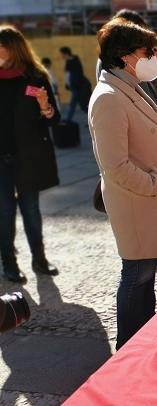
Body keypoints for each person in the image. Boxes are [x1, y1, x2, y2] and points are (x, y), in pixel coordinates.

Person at [89, 18, 157, 349]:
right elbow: (115, 165)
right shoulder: (109, 97)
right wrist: (155, 184)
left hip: (147, 201)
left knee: (146, 273)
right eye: (147, 51)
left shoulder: (129, 88)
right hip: (137, 203)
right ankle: (127, 348)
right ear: (124, 55)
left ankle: (140, 343)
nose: (153, 57)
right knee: (136, 276)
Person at [0, 25, 61, 283]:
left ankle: (39, 258)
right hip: (0, 158)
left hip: (30, 156)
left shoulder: (35, 77)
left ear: (12, 49)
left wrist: (45, 107)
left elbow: (53, 119)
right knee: (3, 211)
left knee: (31, 209)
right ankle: (9, 263)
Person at [60, 46, 91, 122]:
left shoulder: (74, 61)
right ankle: (91, 120)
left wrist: (71, 84)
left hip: (79, 86)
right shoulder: (69, 61)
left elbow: (76, 74)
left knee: (80, 104)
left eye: (62, 54)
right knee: (81, 105)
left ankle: (68, 119)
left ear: (66, 54)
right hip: (76, 86)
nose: (61, 56)